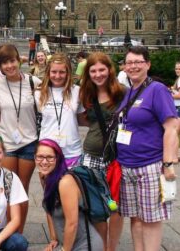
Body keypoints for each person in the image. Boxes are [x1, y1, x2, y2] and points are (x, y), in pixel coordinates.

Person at [117, 46, 178, 251]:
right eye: (129, 63)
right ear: (124, 67)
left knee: (151, 220)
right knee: (135, 218)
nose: (133, 66)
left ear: (148, 64)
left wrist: (168, 162)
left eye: (138, 62)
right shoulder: (129, 91)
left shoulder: (157, 89)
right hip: (127, 165)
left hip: (149, 165)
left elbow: (171, 127)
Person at [0, 43, 41, 233]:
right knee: (8, 190)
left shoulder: (33, 82)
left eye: (11, 61)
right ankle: (7, 231)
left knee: (23, 190)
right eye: (4, 63)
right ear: (0, 66)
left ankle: (18, 234)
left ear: (18, 60)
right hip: (8, 144)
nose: (9, 66)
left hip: (29, 142)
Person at [79, 52, 125, 251]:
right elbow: (84, 119)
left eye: (101, 70)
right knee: (96, 206)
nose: (98, 74)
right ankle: (100, 246)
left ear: (109, 70)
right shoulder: (87, 94)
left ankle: (111, 248)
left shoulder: (122, 92)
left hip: (115, 158)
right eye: (93, 71)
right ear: (88, 73)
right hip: (90, 156)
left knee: (115, 206)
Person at [35, 139, 103, 251]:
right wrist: (53, 239)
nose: (44, 162)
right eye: (40, 157)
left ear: (58, 159)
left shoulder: (65, 182)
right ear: (35, 158)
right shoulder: (47, 177)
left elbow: (72, 223)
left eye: (50, 157)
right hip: (68, 244)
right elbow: (49, 209)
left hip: (85, 246)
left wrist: (64, 250)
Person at [36, 53, 85, 169]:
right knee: (50, 187)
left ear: (68, 73)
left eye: (62, 72)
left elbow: (82, 119)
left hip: (71, 151)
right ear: (48, 72)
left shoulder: (77, 91)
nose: (57, 76)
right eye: (54, 72)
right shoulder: (38, 93)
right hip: (47, 152)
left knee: (72, 186)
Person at [171, 60, 180, 163]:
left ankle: (174, 157)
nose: (177, 70)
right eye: (176, 68)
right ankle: (177, 155)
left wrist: (169, 94)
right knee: (178, 133)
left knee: (175, 133)